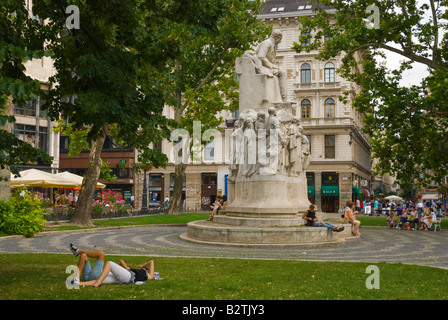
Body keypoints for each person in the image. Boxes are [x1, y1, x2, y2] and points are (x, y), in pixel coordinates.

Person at [70, 244, 154, 287]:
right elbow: (118, 264)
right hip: (90, 276)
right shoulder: (132, 271)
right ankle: (77, 279)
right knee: (84, 255)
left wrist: (144, 266)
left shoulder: (148, 275)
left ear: (147, 270)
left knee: (107, 261)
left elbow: (151, 261)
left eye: (145, 268)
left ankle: (78, 251)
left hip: (128, 276)